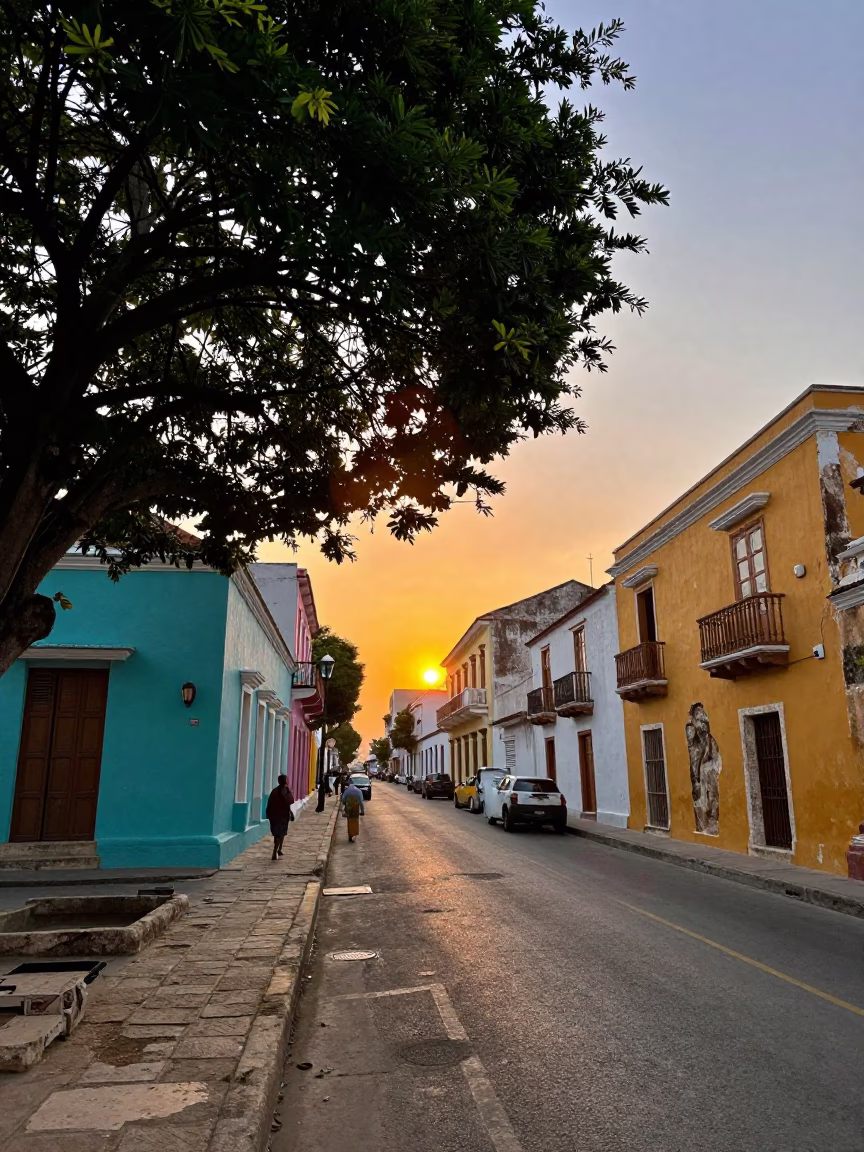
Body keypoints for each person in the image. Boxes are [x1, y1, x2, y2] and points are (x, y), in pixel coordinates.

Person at [265, 774, 295, 861]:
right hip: (282, 815)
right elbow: (291, 801)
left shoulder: (274, 791)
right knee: (281, 832)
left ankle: (278, 849)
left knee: (277, 834)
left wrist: (268, 814)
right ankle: (277, 850)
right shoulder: (285, 790)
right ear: (285, 781)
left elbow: (269, 803)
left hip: (273, 815)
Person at [341, 778, 365, 842]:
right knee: (355, 822)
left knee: (349, 822)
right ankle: (354, 834)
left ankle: (350, 835)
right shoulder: (359, 791)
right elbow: (361, 802)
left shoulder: (347, 791)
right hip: (355, 809)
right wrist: (362, 811)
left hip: (349, 809)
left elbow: (343, 799)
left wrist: (345, 804)